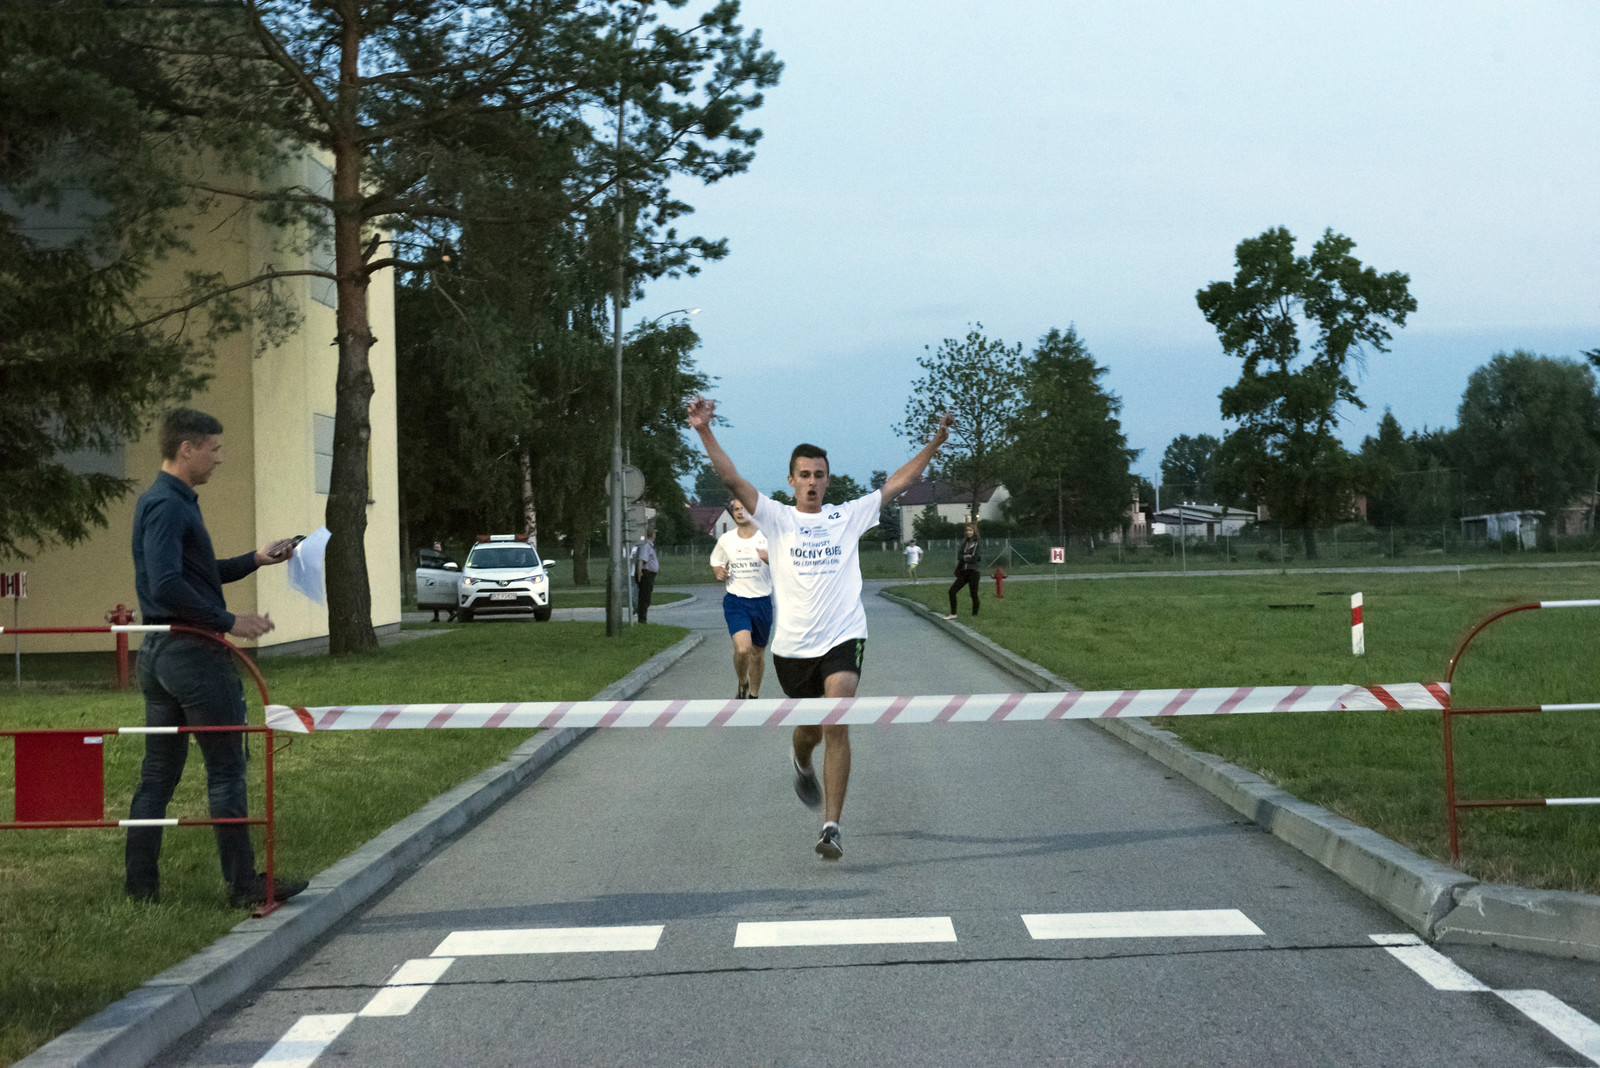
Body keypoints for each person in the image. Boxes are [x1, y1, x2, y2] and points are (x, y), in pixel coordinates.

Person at [688, 395, 953, 860]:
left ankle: (831, 827)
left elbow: (899, 483)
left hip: (843, 637)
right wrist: (704, 429)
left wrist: (935, 442)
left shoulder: (845, 517)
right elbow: (731, 479)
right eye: (804, 475)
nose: (812, 482)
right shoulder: (777, 518)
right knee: (810, 729)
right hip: (793, 649)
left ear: (828, 480)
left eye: (819, 475)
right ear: (791, 480)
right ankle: (800, 758)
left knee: (838, 721)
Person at [126, 408, 308, 908]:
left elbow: (195, 574)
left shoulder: (166, 502)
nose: (219, 458)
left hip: (160, 652)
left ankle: (140, 888)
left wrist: (256, 559)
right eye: (214, 448)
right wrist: (229, 621)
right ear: (187, 449)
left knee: (158, 774)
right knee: (226, 769)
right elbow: (166, 585)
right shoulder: (168, 506)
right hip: (193, 654)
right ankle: (243, 885)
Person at [709, 498, 773, 699]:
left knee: (758, 654)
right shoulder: (726, 540)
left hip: (762, 601)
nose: (739, 512)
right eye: (736, 509)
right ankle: (742, 681)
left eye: (743, 508)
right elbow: (716, 561)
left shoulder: (767, 537)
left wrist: (770, 559)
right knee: (743, 649)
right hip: (737, 601)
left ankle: (753, 695)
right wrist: (719, 572)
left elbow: (786, 564)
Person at [945, 523, 981, 619]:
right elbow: (959, 556)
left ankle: (975, 614)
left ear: (974, 532)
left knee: (973, 594)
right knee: (952, 591)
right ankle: (953, 613)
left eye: (970, 530)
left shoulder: (977, 544)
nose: (968, 532)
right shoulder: (964, 543)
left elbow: (974, 558)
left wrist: (965, 557)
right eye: (967, 530)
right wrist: (966, 556)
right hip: (963, 572)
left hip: (973, 572)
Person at [634, 526, 660, 623]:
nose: (655, 534)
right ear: (652, 534)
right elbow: (642, 560)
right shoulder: (646, 545)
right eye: (654, 533)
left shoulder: (649, 545)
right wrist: (639, 573)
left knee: (646, 597)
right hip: (646, 574)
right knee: (645, 598)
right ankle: (642, 619)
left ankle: (642, 617)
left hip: (649, 574)